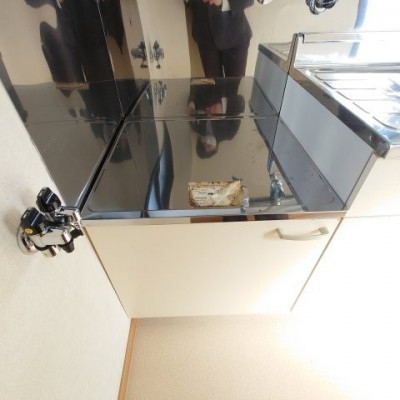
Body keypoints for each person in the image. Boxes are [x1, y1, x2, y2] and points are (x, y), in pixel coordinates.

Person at [184, 0, 254, 78]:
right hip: (205, 35)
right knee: (213, 84)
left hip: (235, 36)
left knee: (235, 84)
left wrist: (223, 2)